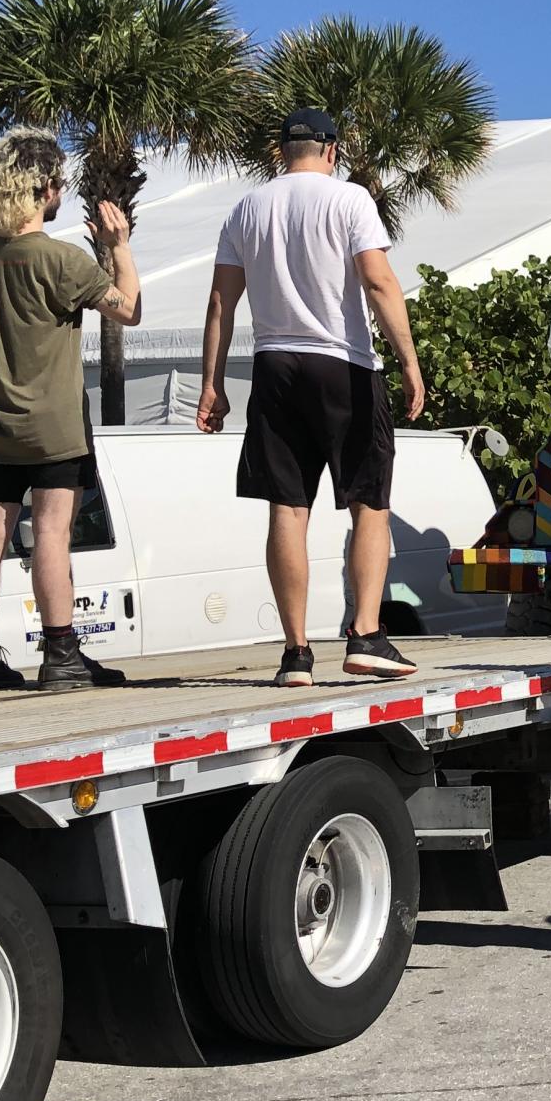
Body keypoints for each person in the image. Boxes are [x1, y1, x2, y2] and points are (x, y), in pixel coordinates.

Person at [199, 108, 428, 688]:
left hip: (275, 365)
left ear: (281, 151)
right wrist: (408, 361)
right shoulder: (349, 200)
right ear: (332, 151)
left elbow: (221, 303)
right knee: (369, 500)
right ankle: (366, 634)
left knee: (288, 508)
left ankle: (296, 652)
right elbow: (378, 281)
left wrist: (211, 383)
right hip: (342, 363)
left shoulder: (248, 208)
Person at [0, 131, 142, 693]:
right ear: (43, 190)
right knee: (52, 533)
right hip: (55, 424)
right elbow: (128, 309)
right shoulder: (63, 259)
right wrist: (120, 246)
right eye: (57, 184)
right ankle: (60, 655)